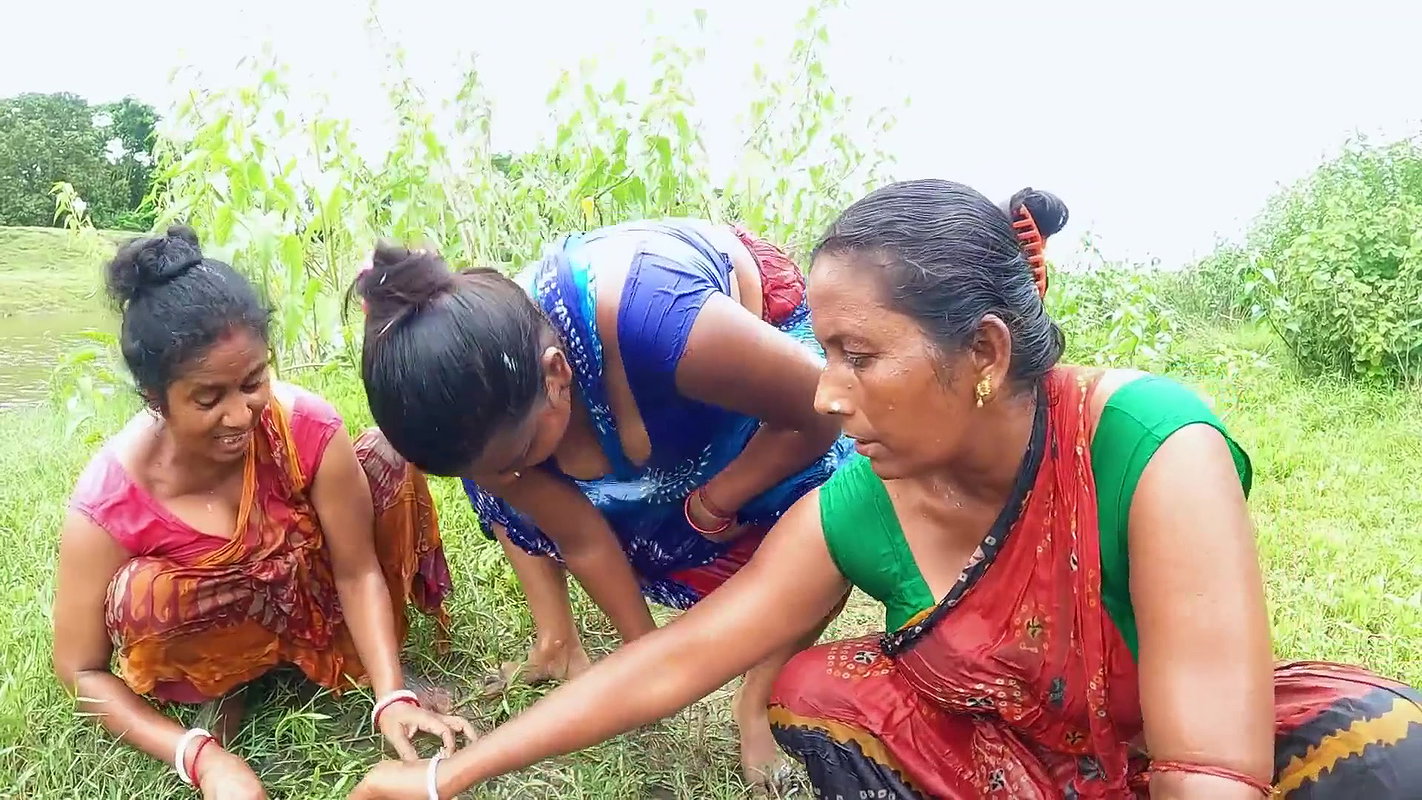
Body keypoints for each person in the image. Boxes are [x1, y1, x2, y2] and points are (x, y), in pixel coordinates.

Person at [348, 180, 1422, 800]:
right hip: (1023, 762)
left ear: (986, 352)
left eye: (857, 354)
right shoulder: (863, 502)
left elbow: (1209, 771)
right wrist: (450, 778)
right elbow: (676, 657)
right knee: (823, 691)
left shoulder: (1149, 446)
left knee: (1384, 754)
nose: (824, 389)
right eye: (823, 348)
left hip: (1189, 761)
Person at [351, 219, 852, 783]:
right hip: (573, 403)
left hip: (765, 377)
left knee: (829, 521)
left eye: (518, 454)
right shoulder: (484, 413)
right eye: (484, 470)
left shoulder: (660, 321)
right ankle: (557, 643)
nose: (510, 476)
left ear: (557, 374)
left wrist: (717, 500)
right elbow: (581, 536)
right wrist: (647, 657)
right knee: (515, 488)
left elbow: (819, 413)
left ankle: (755, 699)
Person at [51, 227, 475, 800]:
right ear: (156, 398)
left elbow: (356, 570)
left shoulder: (305, 429)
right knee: (141, 591)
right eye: (208, 398)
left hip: (318, 597)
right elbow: (80, 671)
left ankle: (350, 660)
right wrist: (199, 758)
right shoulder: (109, 502)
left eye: (253, 382)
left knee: (386, 459)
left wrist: (391, 694)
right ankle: (225, 685)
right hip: (221, 626)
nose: (241, 414)